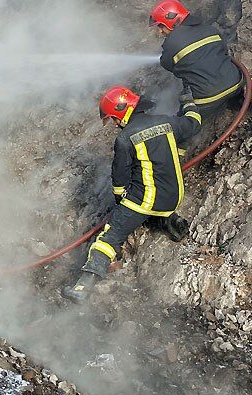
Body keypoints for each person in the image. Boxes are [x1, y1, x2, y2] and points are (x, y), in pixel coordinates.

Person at [62, 86, 201, 303]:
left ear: (122, 111)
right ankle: (169, 221)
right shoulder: (167, 122)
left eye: (114, 119)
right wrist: (189, 103)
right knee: (151, 210)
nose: (115, 124)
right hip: (174, 196)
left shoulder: (125, 138)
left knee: (110, 236)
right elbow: (193, 124)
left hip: (144, 201)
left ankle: (83, 286)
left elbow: (119, 179)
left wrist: (121, 204)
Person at [150, 0, 252, 122]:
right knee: (246, 77)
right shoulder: (210, 29)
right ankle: (251, 90)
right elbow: (224, 52)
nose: (160, 31)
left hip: (206, 99)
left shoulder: (170, 43)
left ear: (172, 20)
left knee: (186, 115)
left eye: (161, 26)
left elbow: (167, 64)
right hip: (235, 83)